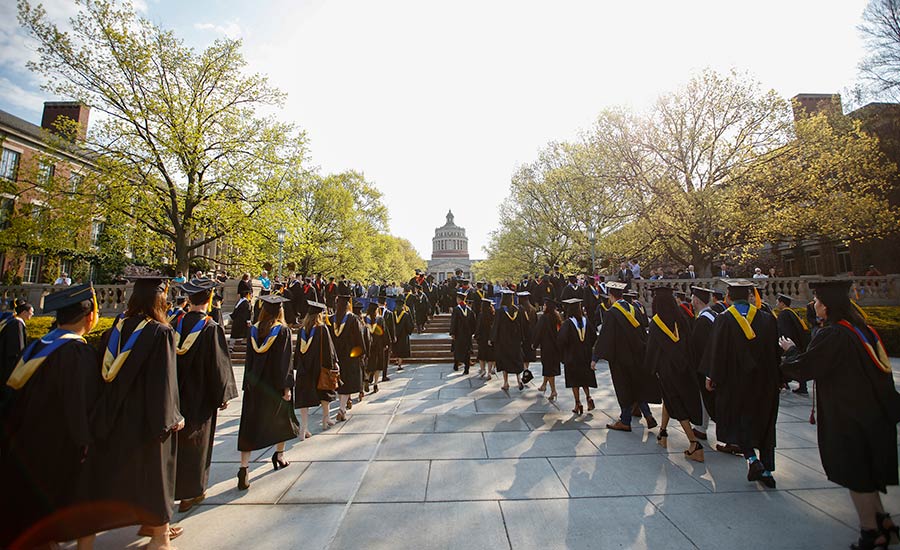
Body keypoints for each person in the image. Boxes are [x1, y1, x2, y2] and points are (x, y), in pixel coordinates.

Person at [780, 280, 900, 550]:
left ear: (828, 305)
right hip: (872, 413)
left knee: (855, 473)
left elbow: (807, 366)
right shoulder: (864, 330)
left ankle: (871, 531)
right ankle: (883, 520)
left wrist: (789, 352)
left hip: (848, 414)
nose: (815, 306)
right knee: (867, 471)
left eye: (818, 302)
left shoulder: (834, 334)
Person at [0, 285, 98, 549]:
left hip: (24, 437)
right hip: (57, 441)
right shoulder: (77, 353)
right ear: (90, 317)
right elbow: (81, 404)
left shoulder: (37, 346)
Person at [89, 273, 183, 548]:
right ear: (159, 299)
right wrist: (172, 417)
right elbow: (164, 380)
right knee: (156, 475)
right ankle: (160, 536)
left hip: (116, 415)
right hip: (149, 418)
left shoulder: (114, 331)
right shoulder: (161, 332)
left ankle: (145, 522)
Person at [703, 279, 780, 489]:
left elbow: (717, 352)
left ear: (728, 297)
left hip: (735, 382)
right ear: (748, 296)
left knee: (739, 419)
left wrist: (712, 376)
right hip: (764, 381)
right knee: (764, 423)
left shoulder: (724, 319)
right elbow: (775, 351)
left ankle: (752, 459)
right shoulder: (766, 318)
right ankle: (767, 470)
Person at [172, 279, 238, 513]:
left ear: (188, 299)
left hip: (174, 395)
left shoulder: (173, 324)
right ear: (209, 299)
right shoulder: (210, 328)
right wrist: (223, 394)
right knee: (197, 443)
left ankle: (171, 488)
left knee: (175, 445)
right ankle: (192, 493)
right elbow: (218, 365)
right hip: (200, 397)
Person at [237, 294, 300, 491]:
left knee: (249, 425)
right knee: (281, 421)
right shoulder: (282, 331)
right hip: (274, 387)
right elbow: (284, 363)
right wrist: (287, 387)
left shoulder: (253, 330)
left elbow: (249, 359)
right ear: (280, 310)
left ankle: (244, 468)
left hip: (255, 386)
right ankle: (279, 455)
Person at [644, 287, 704, 461]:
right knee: (669, 400)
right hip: (684, 368)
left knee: (676, 404)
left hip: (667, 371)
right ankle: (662, 432)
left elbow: (652, 350)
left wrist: (650, 368)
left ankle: (694, 444)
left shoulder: (656, 323)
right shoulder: (682, 319)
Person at [594, 281, 660, 431]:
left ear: (611, 296)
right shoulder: (634, 309)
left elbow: (606, 336)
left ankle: (625, 420)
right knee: (637, 386)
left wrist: (595, 357)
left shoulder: (612, 313)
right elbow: (644, 329)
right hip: (637, 355)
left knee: (624, 388)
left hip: (621, 358)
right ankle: (648, 415)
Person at [294, 300, 337, 436]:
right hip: (319, 368)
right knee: (324, 393)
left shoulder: (302, 330)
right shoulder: (322, 328)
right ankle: (326, 420)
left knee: (304, 398)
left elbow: (297, 352)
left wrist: (298, 367)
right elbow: (329, 350)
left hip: (304, 369)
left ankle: (304, 428)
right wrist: (333, 363)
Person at [559, 298, 598, 414]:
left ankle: (578, 404)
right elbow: (594, 337)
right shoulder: (586, 321)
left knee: (574, 381)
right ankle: (589, 397)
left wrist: (564, 351)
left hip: (572, 357)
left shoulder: (568, 323)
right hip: (585, 356)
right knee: (584, 379)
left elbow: (561, 340)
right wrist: (586, 346)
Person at [330, 295, 366, 421]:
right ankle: (341, 409)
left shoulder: (330, 319)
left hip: (335, 355)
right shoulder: (353, 319)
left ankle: (342, 406)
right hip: (349, 356)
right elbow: (358, 337)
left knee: (339, 382)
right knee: (347, 382)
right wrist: (362, 352)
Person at [0, 300, 32, 416]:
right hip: (9, 366)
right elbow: (17, 349)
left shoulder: (12, 322)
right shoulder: (16, 324)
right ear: (24, 312)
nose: (32, 314)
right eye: (31, 312)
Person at [774, 294, 810, 395]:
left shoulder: (784, 314)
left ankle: (784, 383)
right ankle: (802, 386)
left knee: (787, 363)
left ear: (782, 303)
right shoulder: (793, 312)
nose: (777, 303)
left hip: (790, 343)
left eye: (778, 301)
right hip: (798, 342)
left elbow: (783, 330)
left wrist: (783, 344)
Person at [491, 290, 525, 391]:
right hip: (515, 340)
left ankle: (506, 383)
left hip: (503, 341)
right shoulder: (517, 310)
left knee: (504, 361)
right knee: (516, 360)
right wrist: (522, 338)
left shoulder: (501, 311)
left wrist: (493, 338)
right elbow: (521, 325)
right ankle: (519, 380)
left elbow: (496, 326)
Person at [533, 297, 561, 401]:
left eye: (545, 305)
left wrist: (534, 344)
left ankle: (553, 390)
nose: (543, 307)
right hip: (555, 347)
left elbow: (539, 332)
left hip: (547, 347)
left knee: (549, 369)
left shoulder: (544, 318)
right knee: (548, 367)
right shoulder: (556, 317)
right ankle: (544, 385)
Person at [363, 302, 389, 393]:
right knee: (378, 366)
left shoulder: (365, 319)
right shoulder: (380, 319)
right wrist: (386, 344)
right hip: (379, 345)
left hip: (368, 346)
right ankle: (375, 384)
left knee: (369, 365)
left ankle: (366, 378)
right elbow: (384, 332)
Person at [450, 290, 476, 373]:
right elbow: (473, 323)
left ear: (458, 299)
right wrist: (471, 332)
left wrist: (452, 333)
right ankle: (466, 369)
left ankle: (456, 365)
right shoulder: (469, 310)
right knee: (467, 350)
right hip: (467, 335)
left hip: (458, 334)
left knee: (457, 349)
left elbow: (453, 322)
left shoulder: (456, 309)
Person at [391, 294, 414, 371]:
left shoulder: (393, 313)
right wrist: (409, 331)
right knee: (401, 348)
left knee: (396, 347)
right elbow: (409, 325)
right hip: (403, 334)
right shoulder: (405, 314)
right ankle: (399, 365)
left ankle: (397, 360)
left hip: (395, 334)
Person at [475, 298, 496, 379]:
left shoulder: (481, 315)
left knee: (482, 355)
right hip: (490, 338)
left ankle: (483, 369)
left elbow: (478, 326)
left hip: (482, 338)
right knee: (490, 356)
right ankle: (489, 372)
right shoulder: (493, 314)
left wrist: (476, 335)